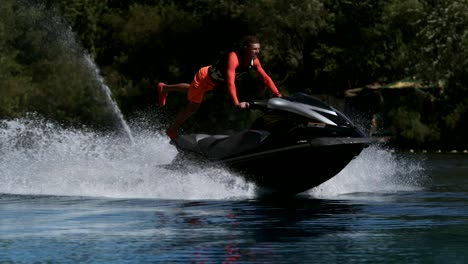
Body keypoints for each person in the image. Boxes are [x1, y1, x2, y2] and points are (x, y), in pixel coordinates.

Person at [157, 35, 282, 139]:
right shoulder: (234, 57)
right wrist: (236, 102)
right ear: (245, 48)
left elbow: (265, 77)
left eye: (258, 49)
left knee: (192, 90)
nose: (257, 52)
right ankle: (171, 130)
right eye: (254, 49)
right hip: (204, 77)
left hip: (212, 83)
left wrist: (277, 94)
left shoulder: (254, 61)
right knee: (193, 106)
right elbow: (230, 81)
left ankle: (164, 88)